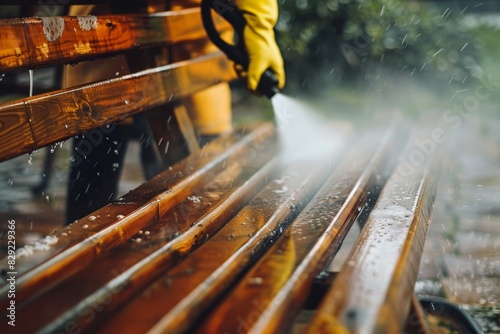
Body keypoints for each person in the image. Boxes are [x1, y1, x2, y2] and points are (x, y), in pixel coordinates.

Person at [65, 0, 285, 224]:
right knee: (90, 200)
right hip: (107, 61)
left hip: (196, 68)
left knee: (201, 204)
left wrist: (259, 27)